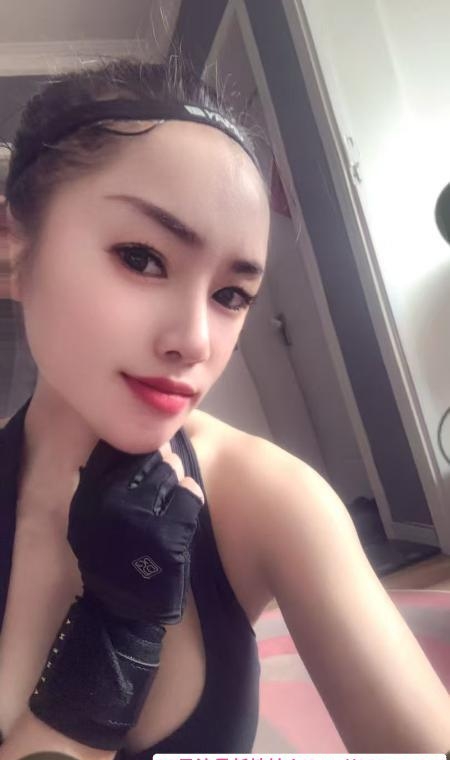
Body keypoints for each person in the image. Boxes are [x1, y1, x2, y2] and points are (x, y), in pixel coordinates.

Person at [0, 56, 449, 760]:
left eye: (231, 295)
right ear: (13, 249)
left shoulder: (270, 498)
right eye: (142, 257)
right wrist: (117, 632)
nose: (196, 341)